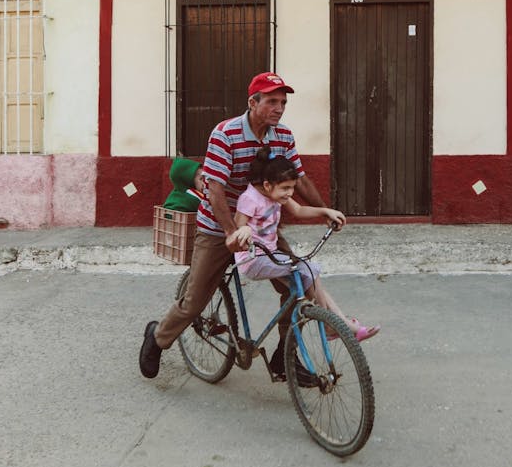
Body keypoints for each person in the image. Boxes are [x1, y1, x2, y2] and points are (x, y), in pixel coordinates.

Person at [139, 71, 330, 381]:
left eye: (283, 102)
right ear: (252, 102)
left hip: (263, 230)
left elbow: (301, 177)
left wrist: (324, 211)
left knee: (297, 285)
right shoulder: (225, 134)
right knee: (193, 303)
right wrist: (230, 233)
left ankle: (285, 357)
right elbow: (214, 189)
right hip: (219, 228)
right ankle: (158, 337)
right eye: (271, 101)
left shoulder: (282, 136)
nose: (279, 108)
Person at [231, 147, 380, 342]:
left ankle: (341, 323)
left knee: (310, 277)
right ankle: (331, 325)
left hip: (271, 257)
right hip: (252, 260)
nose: (289, 193)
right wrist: (244, 230)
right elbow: (237, 228)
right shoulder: (250, 199)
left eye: (292, 187)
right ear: (267, 185)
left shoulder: (275, 193)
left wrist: (325, 212)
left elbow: (299, 210)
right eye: (286, 188)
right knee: (309, 270)